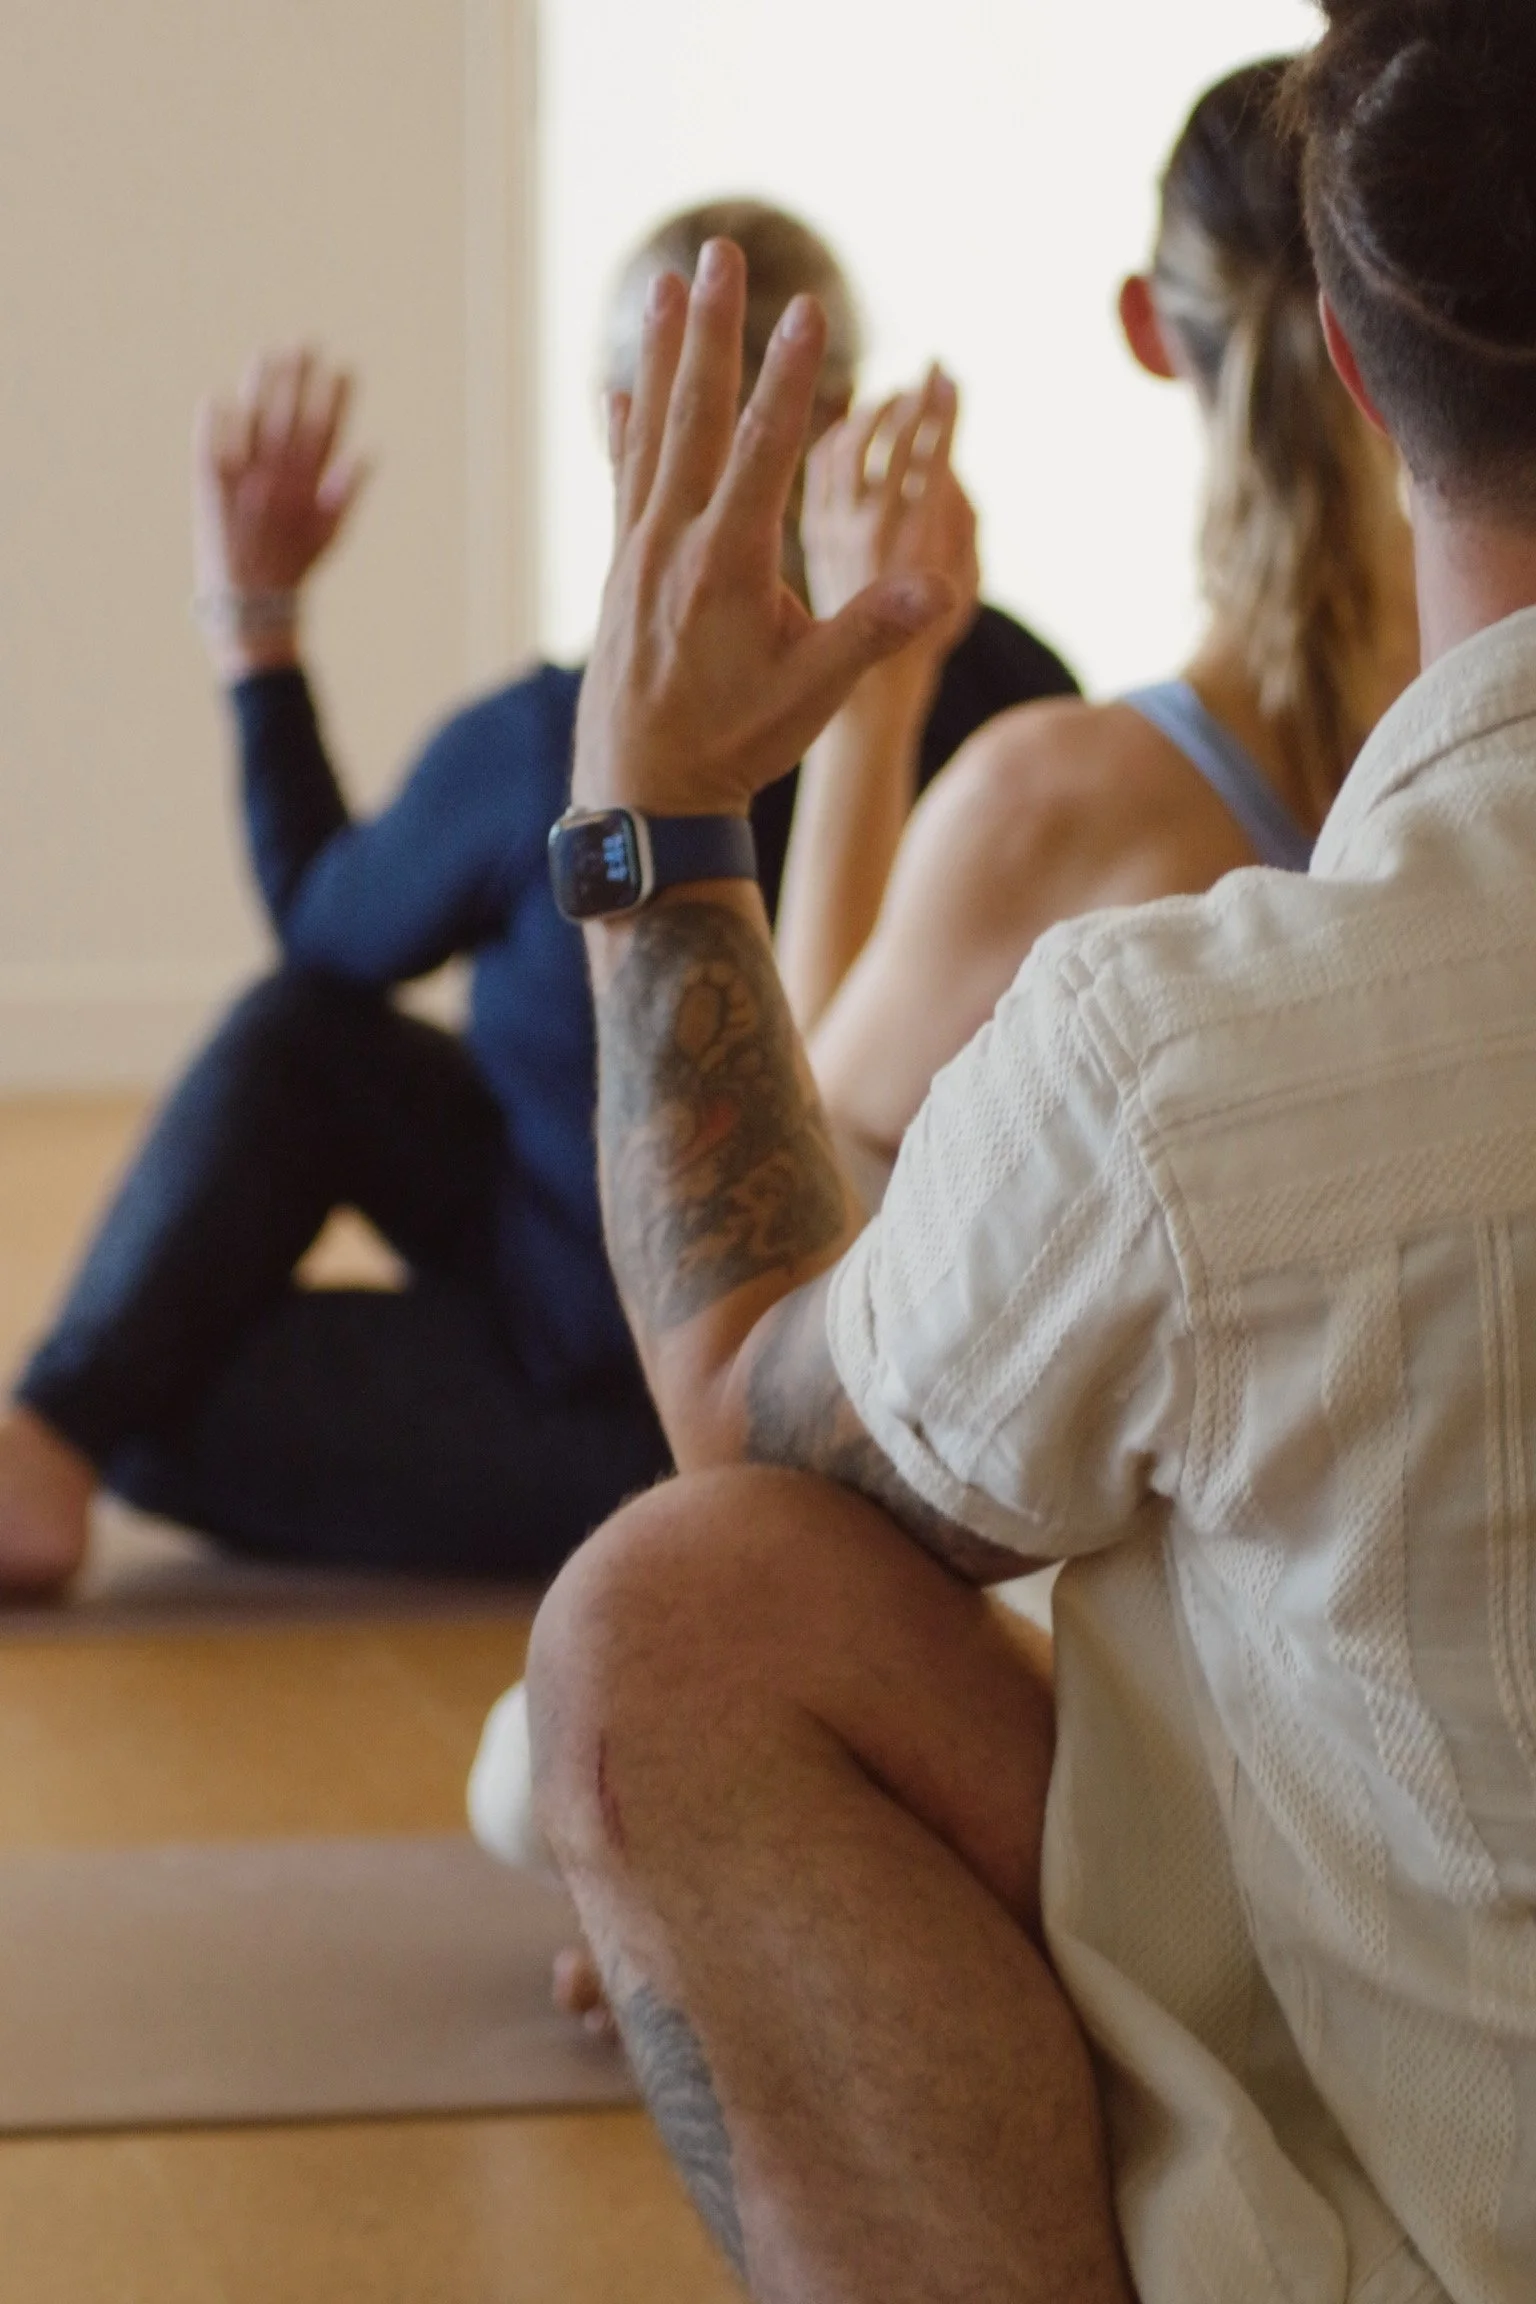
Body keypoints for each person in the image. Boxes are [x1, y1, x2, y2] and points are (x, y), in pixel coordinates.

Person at [523, 5, 1536, 2298]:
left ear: (1352, 380)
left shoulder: (1192, 1038)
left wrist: (653, 827)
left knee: (662, 1634)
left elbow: (749, 1406)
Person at [0, 200, 1076, 1595]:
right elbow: (331, 957)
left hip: (669, 1400)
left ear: (619, 424)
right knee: (297, 1058)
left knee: (149, 1399)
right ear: (849, 420)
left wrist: (254, 639)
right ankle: (58, 1422)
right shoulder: (1009, 689)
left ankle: (60, 1424)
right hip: (577, 1268)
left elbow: (326, 925)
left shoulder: (584, 736)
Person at [779, 57, 1418, 1192]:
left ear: (1149, 326)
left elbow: (789, 1211)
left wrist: (869, 704)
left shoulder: (1055, 809)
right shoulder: (1495, 750)